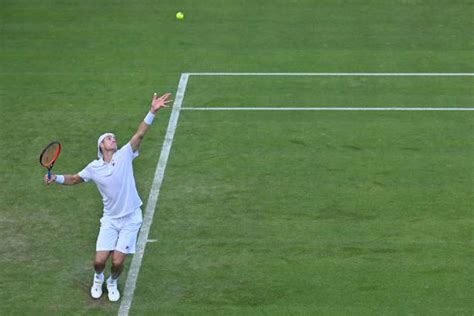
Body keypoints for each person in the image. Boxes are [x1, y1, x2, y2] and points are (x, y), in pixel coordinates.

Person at [44, 92, 173, 302]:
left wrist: (152, 111)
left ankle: (112, 282)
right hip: (110, 220)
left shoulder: (125, 154)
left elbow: (139, 135)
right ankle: (98, 278)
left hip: (131, 218)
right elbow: (75, 179)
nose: (113, 138)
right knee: (99, 261)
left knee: (117, 262)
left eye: (113, 137)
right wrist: (55, 178)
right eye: (108, 138)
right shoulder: (94, 167)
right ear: (101, 147)